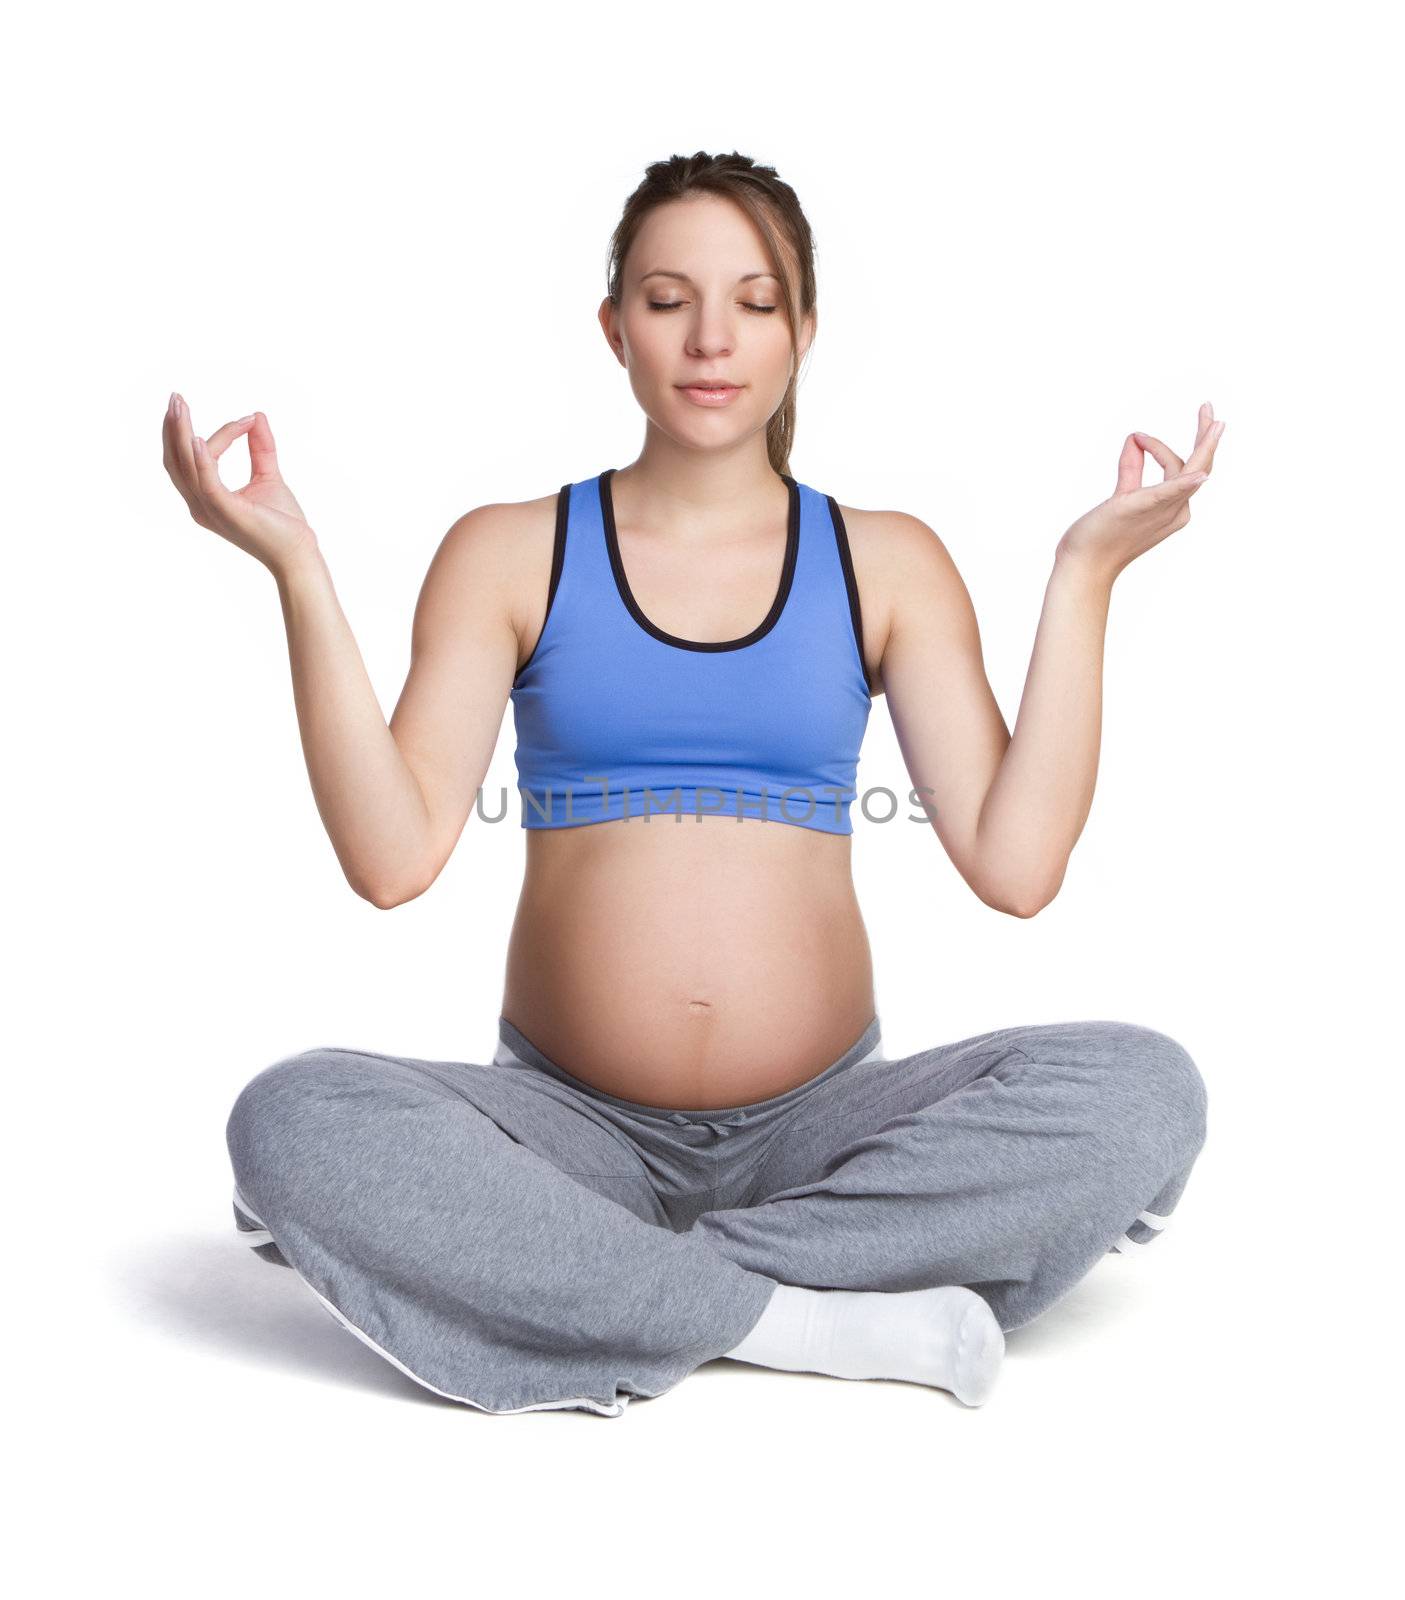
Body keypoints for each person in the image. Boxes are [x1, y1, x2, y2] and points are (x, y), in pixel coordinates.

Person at [163, 150, 1221, 1417]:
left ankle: (596, 1291)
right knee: (292, 1120)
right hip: (564, 1137)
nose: (710, 337)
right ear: (614, 328)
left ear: (804, 330)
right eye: (667, 300)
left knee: (1144, 1089)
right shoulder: (511, 550)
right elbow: (392, 860)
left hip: (828, 1130)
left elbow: (1017, 863)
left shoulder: (885, 561)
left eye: (755, 301)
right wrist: (295, 565)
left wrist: (1083, 576)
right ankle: (801, 1319)